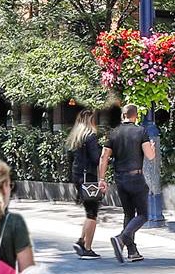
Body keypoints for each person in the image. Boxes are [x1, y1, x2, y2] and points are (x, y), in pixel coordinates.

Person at [105, 103, 156, 262]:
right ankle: (121, 238)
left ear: (123, 115)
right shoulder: (141, 131)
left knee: (128, 214)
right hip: (136, 177)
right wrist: (153, 148)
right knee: (143, 214)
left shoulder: (113, 133)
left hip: (120, 178)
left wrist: (101, 178)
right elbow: (150, 156)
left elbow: (104, 157)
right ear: (136, 116)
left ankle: (132, 251)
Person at [68, 111, 105, 259]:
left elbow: (70, 158)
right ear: (90, 121)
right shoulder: (90, 137)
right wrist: (105, 154)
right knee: (92, 214)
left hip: (78, 177)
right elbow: (96, 158)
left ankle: (81, 241)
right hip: (89, 178)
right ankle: (87, 249)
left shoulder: (76, 138)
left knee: (89, 211)